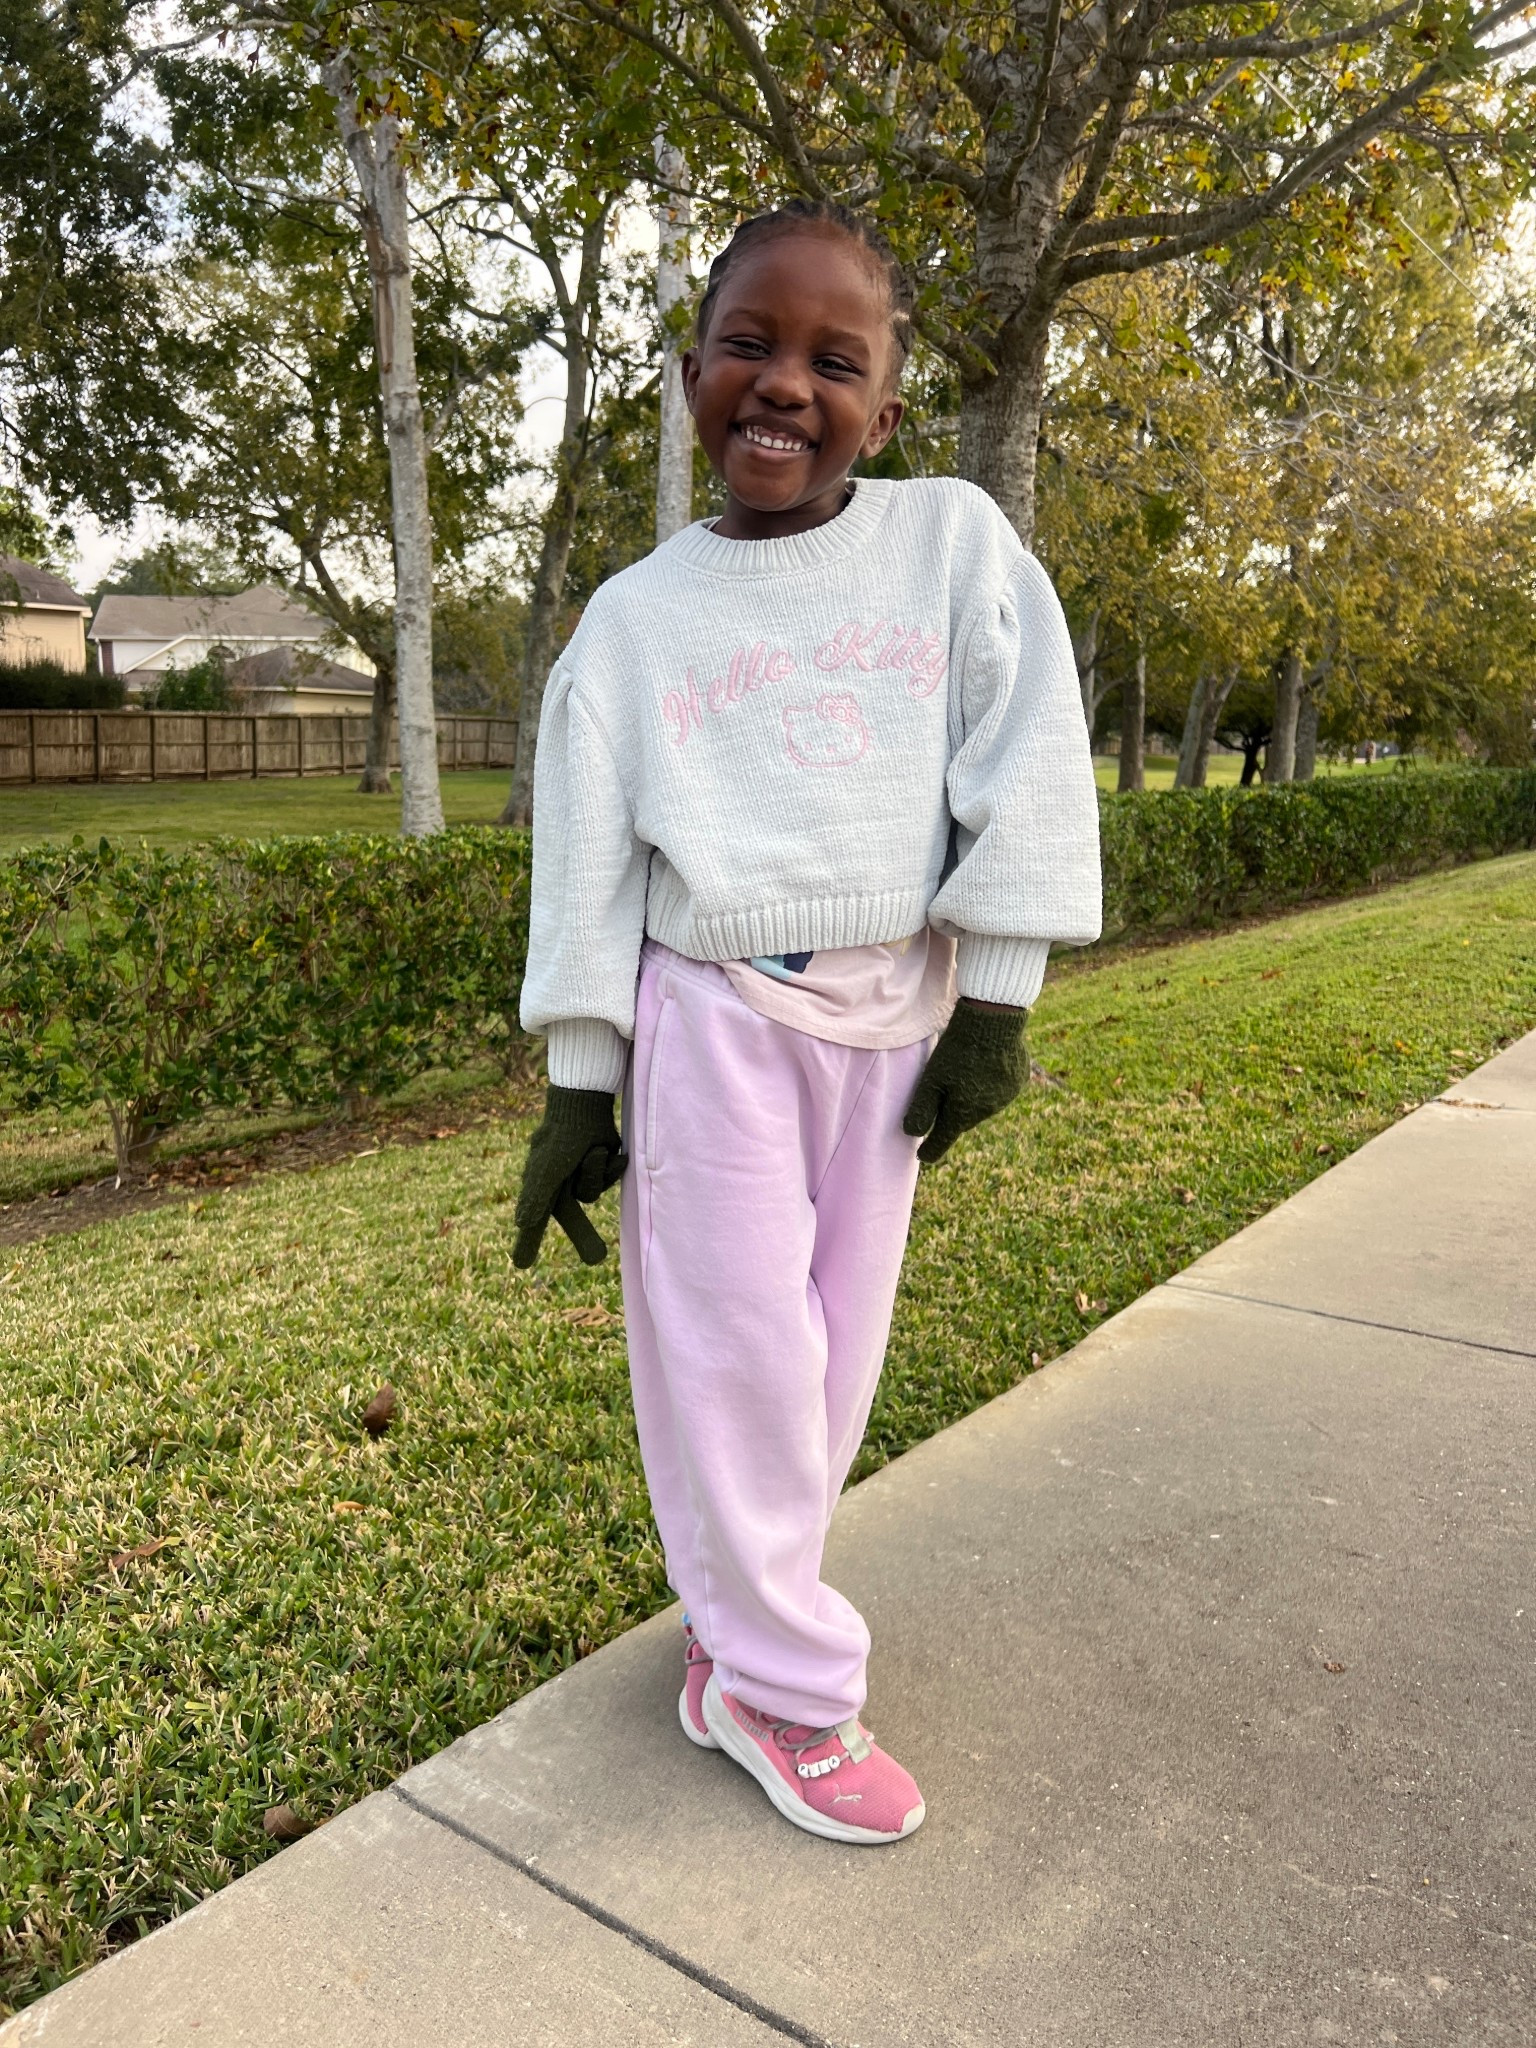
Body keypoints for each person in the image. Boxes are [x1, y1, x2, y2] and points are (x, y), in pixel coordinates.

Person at [514, 201, 1102, 1847]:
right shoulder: (632, 622)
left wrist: (996, 1006)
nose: (785, 386)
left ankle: (727, 1645)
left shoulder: (954, 546)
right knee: (742, 1358)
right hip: (710, 1026)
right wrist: (582, 1086)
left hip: (895, 1023)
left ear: (888, 406)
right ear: (691, 373)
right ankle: (789, 1690)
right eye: (749, 348)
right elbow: (587, 864)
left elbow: (1032, 761)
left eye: (833, 361)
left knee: (831, 1363)